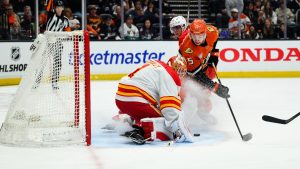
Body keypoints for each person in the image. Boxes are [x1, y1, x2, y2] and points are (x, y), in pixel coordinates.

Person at [114, 58, 193, 145]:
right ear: (171, 66)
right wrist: (178, 128)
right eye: (177, 69)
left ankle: (125, 118)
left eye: (182, 71)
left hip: (121, 97)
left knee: (154, 108)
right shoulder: (170, 75)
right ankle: (140, 130)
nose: (179, 73)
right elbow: (169, 107)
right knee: (165, 123)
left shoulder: (157, 64)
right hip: (135, 99)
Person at [178, 19, 230, 100]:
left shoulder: (212, 31)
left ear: (205, 33)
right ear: (190, 34)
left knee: (205, 98)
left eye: (200, 36)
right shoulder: (188, 50)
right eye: (194, 35)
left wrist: (213, 52)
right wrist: (215, 87)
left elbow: (215, 37)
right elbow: (196, 74)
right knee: (184, 96)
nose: (197, 39)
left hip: (200, 63)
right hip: (188, 72)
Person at [33, 0, 70, 90]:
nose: (58, 9)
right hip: (47, 42)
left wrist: (66, 36)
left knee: (57, 63)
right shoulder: (51, 15)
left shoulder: (65, 20)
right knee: (42, 63)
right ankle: (36, 82)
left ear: (63, 8)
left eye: (60, 7)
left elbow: (68, 31)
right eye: (57, 7)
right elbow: (49, 5)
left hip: (58, 43)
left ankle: (55, 82)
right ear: (54, 8)